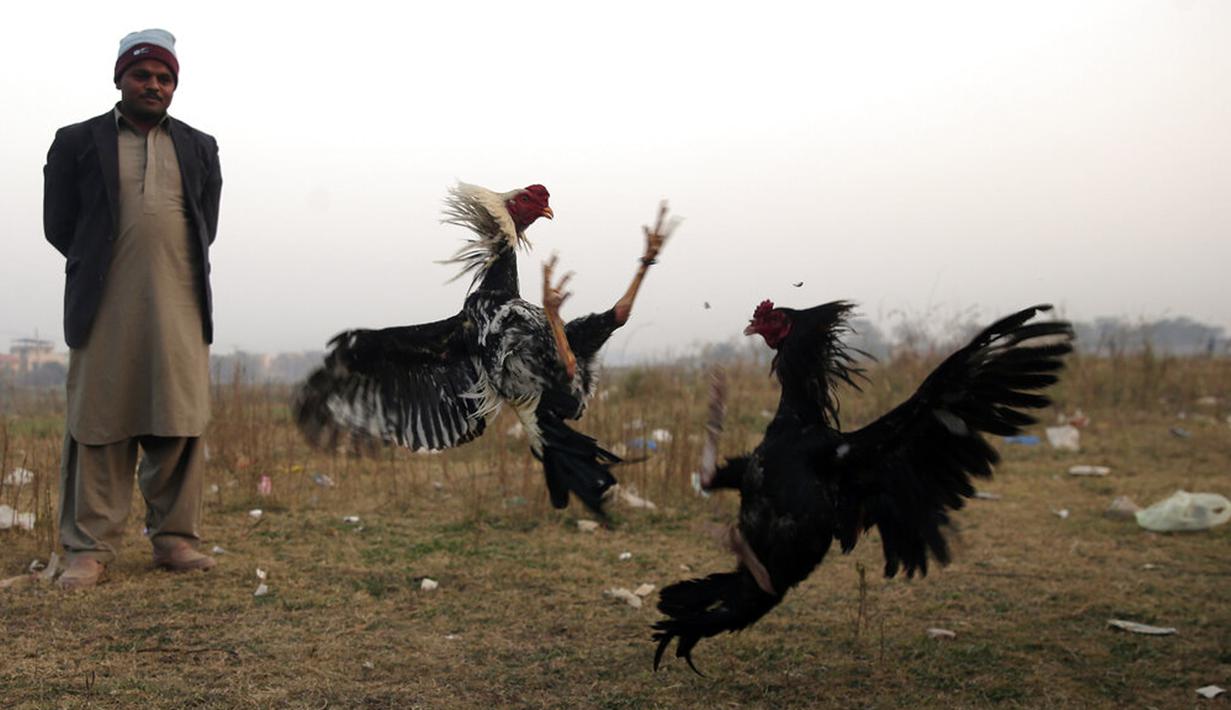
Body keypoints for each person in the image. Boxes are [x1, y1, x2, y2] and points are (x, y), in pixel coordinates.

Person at [43, 29, 222, 589]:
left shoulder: (199, 146)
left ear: (175, 85)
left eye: (164, 78)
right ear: (119, 77)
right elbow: (59, 226)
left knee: (180, 422)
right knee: (98, 424)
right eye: (142, 75)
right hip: (103, 306)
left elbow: (204, 225)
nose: (153, 85)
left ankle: (174, 540)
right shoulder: (76, 141)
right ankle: (88, 550)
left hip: (179, 303)